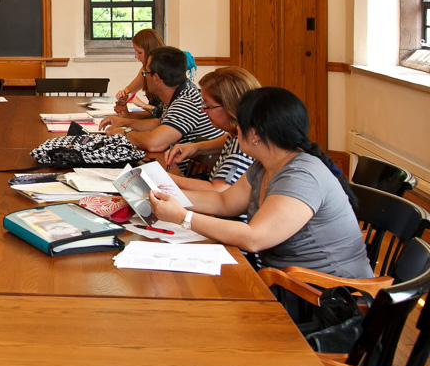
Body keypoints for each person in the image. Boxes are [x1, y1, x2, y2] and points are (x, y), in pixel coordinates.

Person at [149, 86, 372, 279]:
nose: (235, 129)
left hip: (326, 300)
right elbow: (223, 201)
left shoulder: (302, 175)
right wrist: (160, 192)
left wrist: (182, 217)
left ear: (255, 133)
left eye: (240, 124)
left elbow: (254, 238)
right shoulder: (265, 165)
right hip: (285, 284)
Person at [98, 46, 223, 153]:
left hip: (186, 174)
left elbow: (154, 143)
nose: (145, 77)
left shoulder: (186, 101)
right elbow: (159, 124)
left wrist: (124, 134)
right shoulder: (179, 91)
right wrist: (124, 122)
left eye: (145, 73)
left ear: (156, 78)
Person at [165, 67, 260, 192]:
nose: (202, 110)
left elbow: (219, 190)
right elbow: (228, 139)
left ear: (230, 107)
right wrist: (196, 148)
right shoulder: (237, 133)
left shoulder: (244, 145)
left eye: (208, 105)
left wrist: (166, 178)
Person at [113, 28, 165, 115]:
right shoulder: (145, 69)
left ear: (151, 52)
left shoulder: (165, 71)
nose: (136, 56)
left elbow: (168, 112)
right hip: (152, 117)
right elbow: (129, 90)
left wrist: (142, 104)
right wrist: (123, 95)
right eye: (135, 51)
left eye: (139, 52)